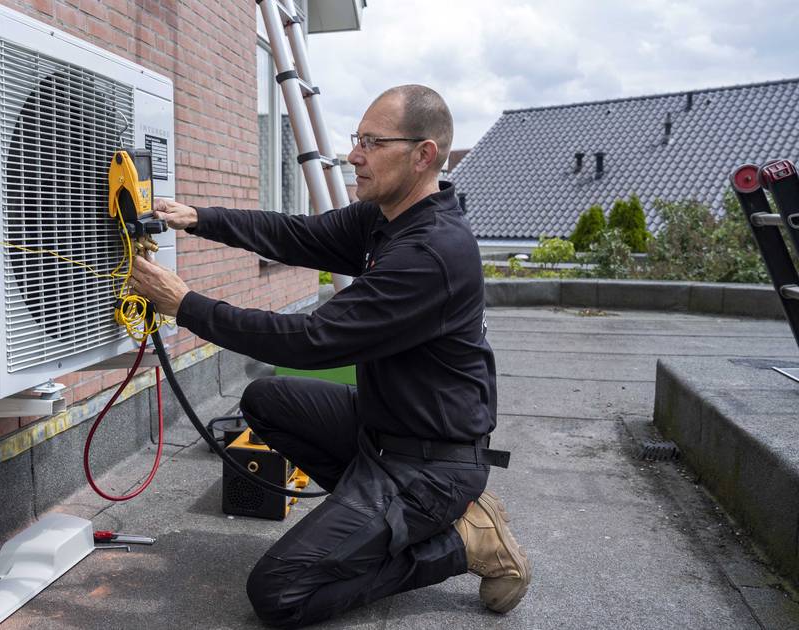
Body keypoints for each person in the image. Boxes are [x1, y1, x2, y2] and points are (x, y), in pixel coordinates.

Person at [128, 85, 530, 628]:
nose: (355, 156)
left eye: (372, 142)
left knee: (278, 592)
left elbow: (309, 341)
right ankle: (376, 522)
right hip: (383, 429)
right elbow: (295, 235)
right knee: (264, 400)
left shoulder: (428, 254)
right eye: (355, 140)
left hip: (430, 464)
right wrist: (200, 217)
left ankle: (463, 541)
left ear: (423, 154)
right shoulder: (384, 218)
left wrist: (185, 304)